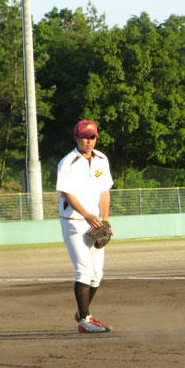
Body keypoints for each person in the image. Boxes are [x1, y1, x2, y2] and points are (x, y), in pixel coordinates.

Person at [56, 120, 114, 333]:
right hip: (74, 221)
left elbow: (104, 191)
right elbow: (66, 194)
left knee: (97, 274)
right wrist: (87, 214)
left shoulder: (101, 159)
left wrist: (105, 220)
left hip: (96, 222)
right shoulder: (67, 162)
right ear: (76, 138)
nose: (88, 141)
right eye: (84, 137)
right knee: (84, 270)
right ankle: (85, 321)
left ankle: (83, 311)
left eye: (92, 137)